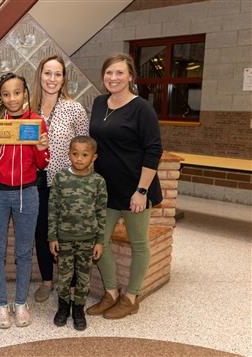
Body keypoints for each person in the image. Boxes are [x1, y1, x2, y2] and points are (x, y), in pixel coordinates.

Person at [87, 53, 163, 319]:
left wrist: (142, 191)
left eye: (120, 73)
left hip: (135, 190)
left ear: (130, 76)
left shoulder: (142, 108)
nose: (114, 78)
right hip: (106, 189)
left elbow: (154, 150)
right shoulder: (98, 103)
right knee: (99, 240)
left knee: (139, 243)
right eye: (109, 73)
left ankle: (131, 296)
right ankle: (111, 292)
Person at [0, 73, 49, 329]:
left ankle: (20, 302)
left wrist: (42, 149)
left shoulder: (37, 122)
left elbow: (42, 164)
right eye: (6, 94)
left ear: (25, 92)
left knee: (23, 252)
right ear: (1, 97)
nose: (12, 99)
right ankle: (0, 304)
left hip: (27, 193)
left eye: (17, 93)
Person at [29, 55, 89, 303]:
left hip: (67, 186)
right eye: (47, 73)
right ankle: (46, 281)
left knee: (68, 236)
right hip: (36, 183)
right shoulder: (28, 109)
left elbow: (85, 146)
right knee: (41, 233)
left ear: (63, 78)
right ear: (39, 75)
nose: (52, 79)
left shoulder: (74, 108)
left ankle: (72, 286)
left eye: (57, 74)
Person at [48, 136, 107, 331]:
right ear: (68, 154)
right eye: (75, 154)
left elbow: (101, 212)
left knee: (83, 278)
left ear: (94, 157)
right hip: (64, 238)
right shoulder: (61, 178)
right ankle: (63, 307)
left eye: (84, 155)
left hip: (87, 240)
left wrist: (99, 241)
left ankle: (79, 309)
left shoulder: (98, 181)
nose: (79, 159)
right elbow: (53, 209)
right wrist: (52, 237)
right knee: (64, 277)